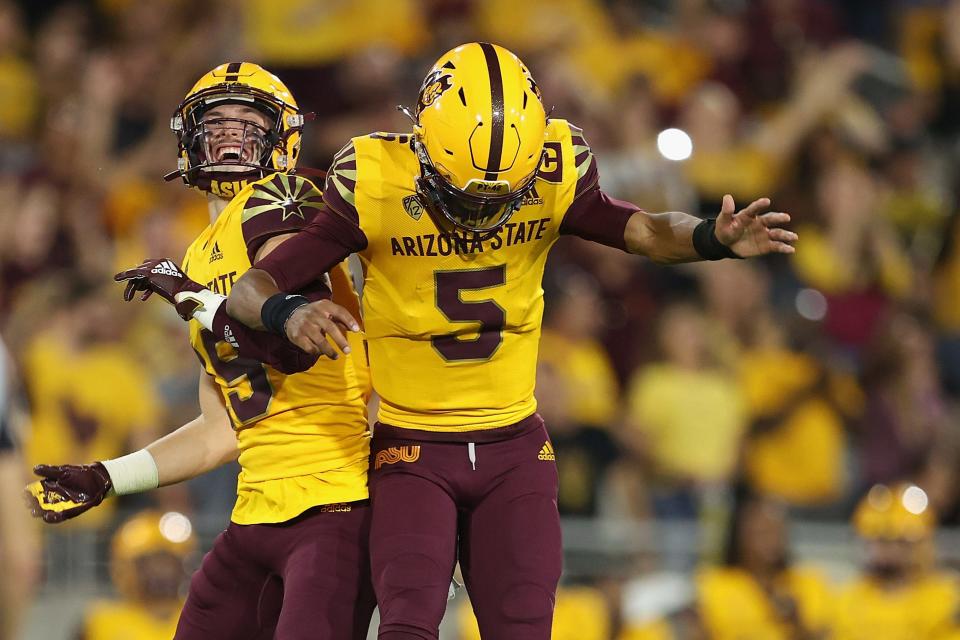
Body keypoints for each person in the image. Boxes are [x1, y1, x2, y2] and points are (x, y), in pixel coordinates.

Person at [216, 42, 794, 639]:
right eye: (466, 193)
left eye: (502, 194)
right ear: (422, 143)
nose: (483, 209)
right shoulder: (375, 180)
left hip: (514, 446)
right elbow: (250, 288)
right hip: (414, 446)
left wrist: (709, 237)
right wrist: (287, 312)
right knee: (407, 627)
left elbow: (644, 229)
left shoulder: (553, 166)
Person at [25, 63, 376, 640]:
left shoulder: (281, 198)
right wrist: (108, 477)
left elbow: (297, 343)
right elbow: (224, 428)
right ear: (188, 138)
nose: (231, 134)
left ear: (284, 138)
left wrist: (196, 301)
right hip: (257, 509)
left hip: (336, 502)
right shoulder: (198, 254)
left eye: (248, 121)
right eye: (215, 121)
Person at [695, 485, 832, 639]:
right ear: (739, 535)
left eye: (776, 531)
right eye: (761, 532)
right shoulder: (714, 584)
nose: (770, 540)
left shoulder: (809, 581)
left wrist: (796, 622)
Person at [833, 483, 960, 640]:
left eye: (897, 541)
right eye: (878, 541)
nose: (884, 551)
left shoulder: (947, 599)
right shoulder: (848, 599)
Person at [79, 510, 196, 640]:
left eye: (167, 562)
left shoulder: (203, 618)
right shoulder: (100, 622)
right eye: (151, 563)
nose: (160, 572)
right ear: (127, 567)